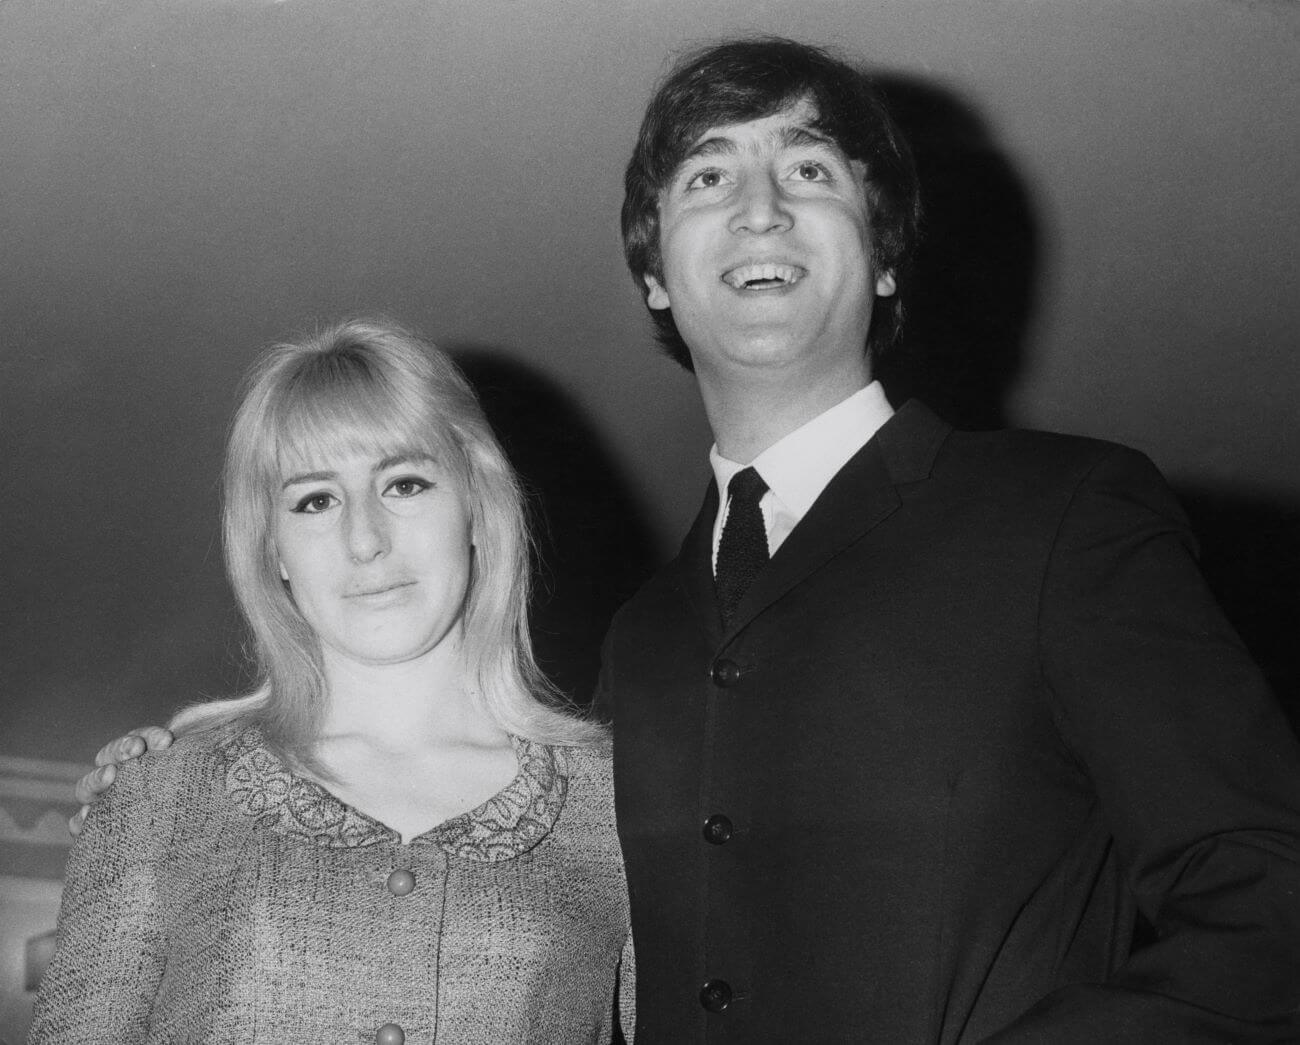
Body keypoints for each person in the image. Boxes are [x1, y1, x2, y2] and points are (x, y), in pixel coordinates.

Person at [79, 37, 1300, 1045]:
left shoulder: (1063, 515)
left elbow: (1268, 894)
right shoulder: (640, 646)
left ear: (882, 255)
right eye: (706, 178)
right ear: (655, 273)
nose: (758, 204)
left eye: (809, 169)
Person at [36, 319, 633, 1043]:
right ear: (273, 548)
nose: (364, 539)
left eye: (405, 483)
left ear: (477, 505)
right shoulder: (157, 800)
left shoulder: (621, 811)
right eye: (315, 499)